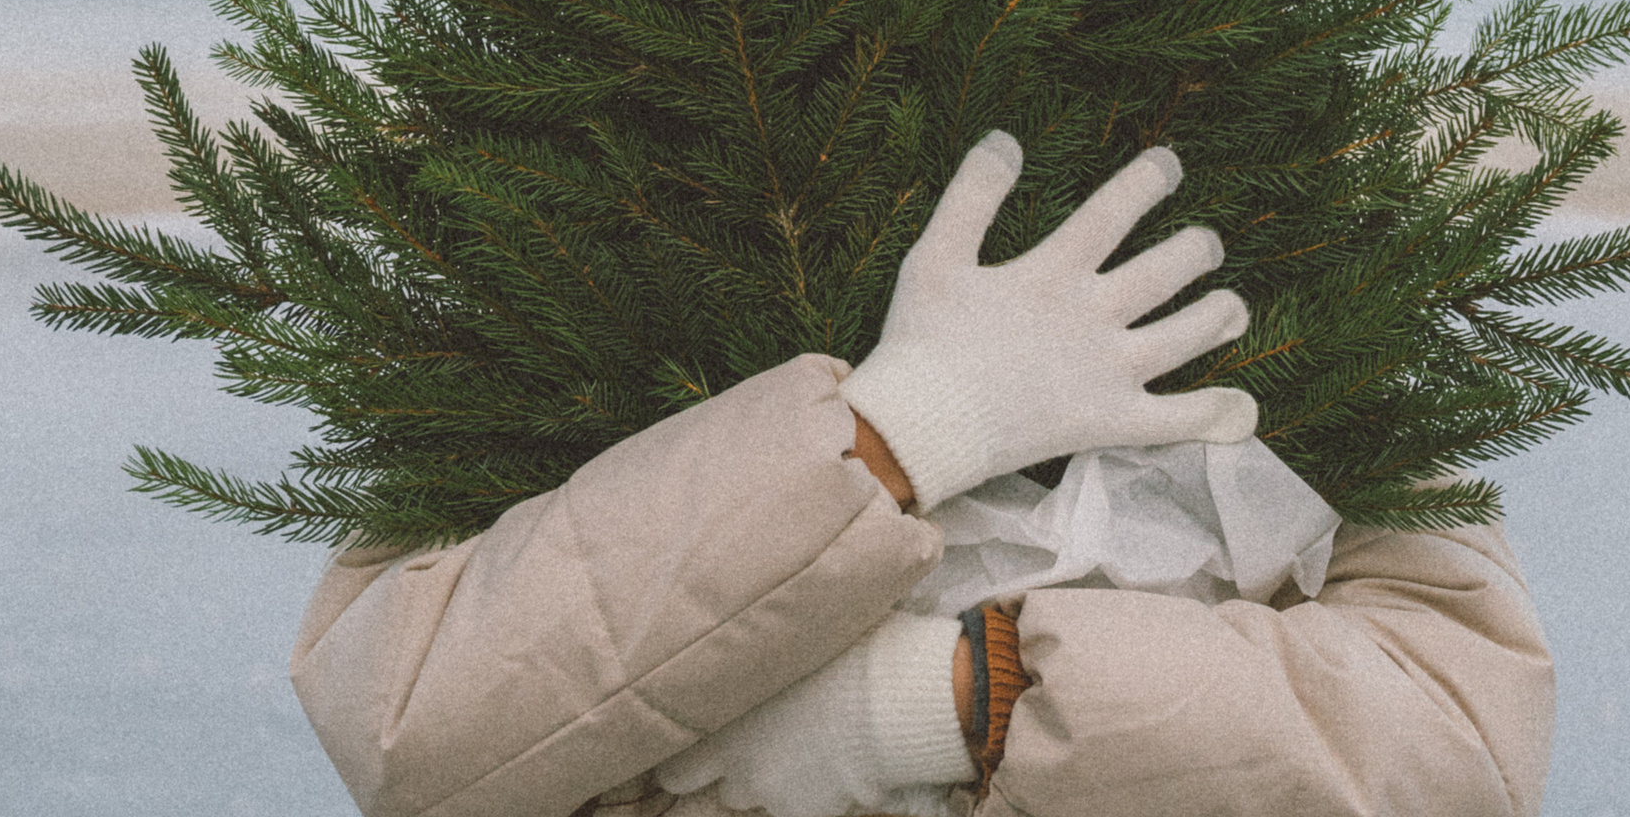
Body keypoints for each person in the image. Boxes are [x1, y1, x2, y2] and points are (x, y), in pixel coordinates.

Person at [291, 133, 1555, 817]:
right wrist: (903, 428)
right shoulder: (546, 269)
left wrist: (953, 693)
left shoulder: (1312, 294)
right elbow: (411, 733)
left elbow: (1455, 748)